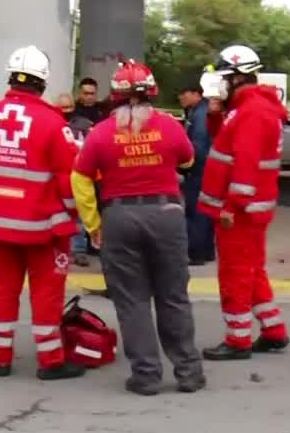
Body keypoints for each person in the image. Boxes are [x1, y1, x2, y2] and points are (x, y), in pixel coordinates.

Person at [72, 60, 205, 395]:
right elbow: (188, 161)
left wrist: (92, 224)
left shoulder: (101, 133)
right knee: (173, 296)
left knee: (131, 300)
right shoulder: (170, 126)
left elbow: (80, 178)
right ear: (152, 92)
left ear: (114, 97)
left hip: (119, 218)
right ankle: (188, 372)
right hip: (166, 214)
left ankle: (146, 375)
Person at [0, 45, 85, 381]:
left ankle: (0, 357)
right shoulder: (53, 122)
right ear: (43, 83)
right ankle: (51, 361)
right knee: (46, 294)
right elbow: (68, 182)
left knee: (4, 290)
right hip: (43, 228)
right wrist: (78, 219)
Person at [197, 45, 290, 361]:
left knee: (235, 272)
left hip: (240, 211)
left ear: (237, 78)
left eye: (223, 78)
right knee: (252, 270)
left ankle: (238, 339)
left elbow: (245, 165)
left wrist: (231, 206)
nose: (218, 84)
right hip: (249, 209)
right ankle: (273, 330)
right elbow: (225, 142)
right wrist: (214, 115)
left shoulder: (251, 112)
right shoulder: (246, 108)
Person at [179, 81, 216, 266]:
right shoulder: (200, 111)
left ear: (196, 93)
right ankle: (207, 251)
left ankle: (196, 252)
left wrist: (184, 165)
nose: (180, 98)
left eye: (183, 93)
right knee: (205, 210)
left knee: (196, 211)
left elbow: (198, 146)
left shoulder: (200, 114)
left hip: (200, 169)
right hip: (207, 168)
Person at [57, 92, 94, 265]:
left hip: (79, 174)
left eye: (68, 107)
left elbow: (92, 148)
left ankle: (79, 250)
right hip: (59, 175)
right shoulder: (53, 124)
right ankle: (60, 249)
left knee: (79, 214)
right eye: (62, 107)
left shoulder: (85, 125)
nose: (65, 111)